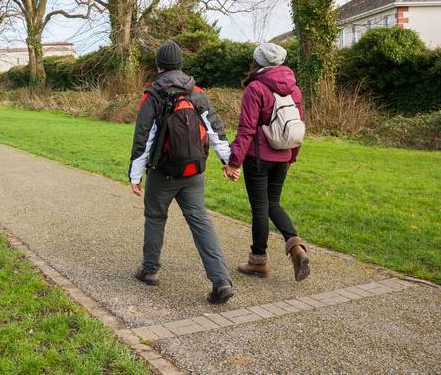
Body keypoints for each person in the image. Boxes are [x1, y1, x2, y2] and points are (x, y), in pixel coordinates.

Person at [129, 40, 235, 304]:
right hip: (193, 172)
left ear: (159, 65)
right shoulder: (196, 92)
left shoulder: (152, 95)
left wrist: (135, 175)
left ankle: (150, 270)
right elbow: (215, 130)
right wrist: (229, 161)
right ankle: (221, 281)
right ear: (180, 64)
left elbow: (144, 137)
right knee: (200, 221)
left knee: (155, 217)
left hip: (162, 172)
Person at [224, 43, 310, 282]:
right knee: (273, 204)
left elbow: (246, 129)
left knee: (260, 208)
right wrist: (292, 156)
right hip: (283, 156)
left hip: (259, 158)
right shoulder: (294, 89)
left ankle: (258, 261)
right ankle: (295, 246)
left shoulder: (256, 88)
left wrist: (234, 162)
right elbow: (298, 126)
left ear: (258, 61)